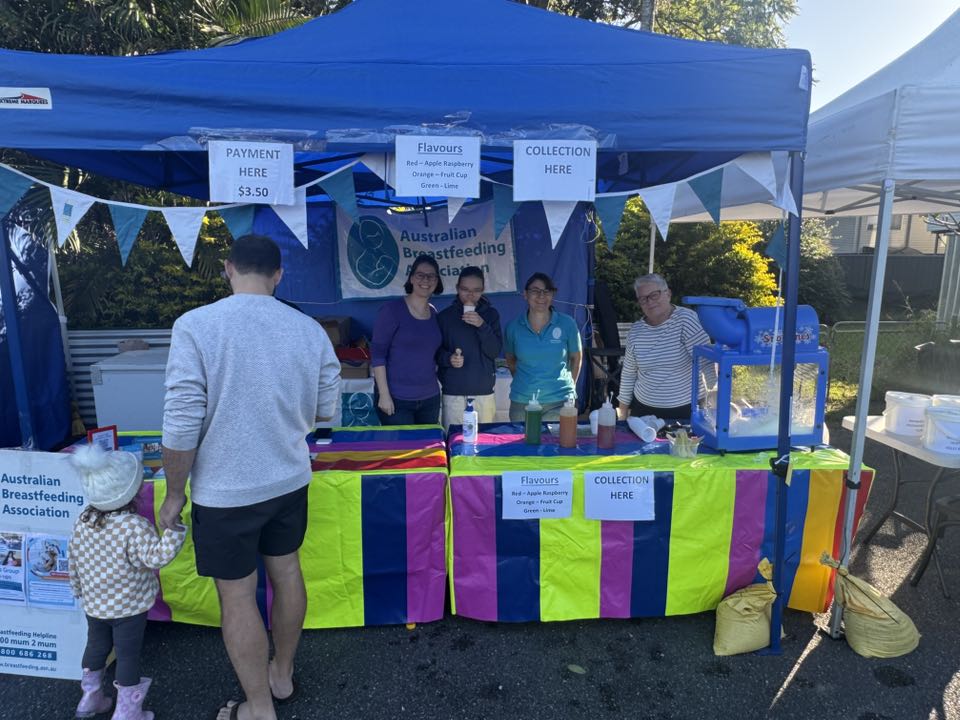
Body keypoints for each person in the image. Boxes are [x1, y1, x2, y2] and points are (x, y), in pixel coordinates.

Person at [159, 234, 341, 720]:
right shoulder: (309, 330)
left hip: (224, 492)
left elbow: (181, 421)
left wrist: (174, 494)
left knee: (237, 595)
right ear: (279, 275)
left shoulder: (196, 326)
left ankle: (258, 707)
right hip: (288, 481)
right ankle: (280, 676)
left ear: (227, 268)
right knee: (287, 574)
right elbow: (326, 413)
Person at [68, 443, 186, 720]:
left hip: (94, 605)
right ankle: (127, 712)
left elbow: (72, 558)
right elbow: (155, 558)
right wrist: (175, 530)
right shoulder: (133, 526)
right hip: (129, 608)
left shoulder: (82, 520)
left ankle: (90, 697)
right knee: (127, 655)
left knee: (95, 647)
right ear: (131, 492)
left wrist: (77, 589)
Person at [616, 273, 713, 421]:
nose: (649, 302)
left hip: (686, 410)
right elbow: (629, 373)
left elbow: (707, 363)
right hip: (643, 410)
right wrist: (622, 413)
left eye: (654, 295)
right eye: (643, 299)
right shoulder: (636, 331)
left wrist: (715, 403)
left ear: (668, 294)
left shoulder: (686, 320)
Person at [371, 254, 443, 426]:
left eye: (431, 276)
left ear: (437, 281)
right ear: (411, 278)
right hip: (397, 400)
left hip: (430, 399)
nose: (425, 280)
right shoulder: (391, 311)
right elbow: (377, 356)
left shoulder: (434, 313)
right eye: (420, 275)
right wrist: (384, 395)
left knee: (428, 451)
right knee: (402, 451)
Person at [504, 272, 582, 421]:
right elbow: (511, 361)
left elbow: (576, 359)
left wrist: (568, 389)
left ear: (552, 296)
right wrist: (527, 384)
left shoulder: (567, 324)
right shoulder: (513, 327)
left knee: (559, 444)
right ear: (525, 295)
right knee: (522, 444)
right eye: (535, 291)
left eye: (547, 291)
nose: (541, 296)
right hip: (522, 401)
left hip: (560, 402)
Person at [436, 266, 503, 430]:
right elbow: (435, 353)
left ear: (483, 290)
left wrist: (482, 325)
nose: (470, 295)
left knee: (484, 444)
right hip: (453, 392)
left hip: (483, 392)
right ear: (457, 288)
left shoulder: (491, 315)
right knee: (455, 443)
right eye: (465, 289)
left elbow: (494, 352)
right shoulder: (445, 317)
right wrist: (449, 358)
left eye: (476, 290)